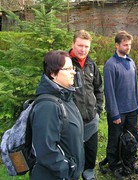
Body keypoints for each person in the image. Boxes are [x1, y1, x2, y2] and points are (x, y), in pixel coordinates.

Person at [30, 50, 84, 180]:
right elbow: (46, 150)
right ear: (53, 73)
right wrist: (67, 170)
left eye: (73, 67)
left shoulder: (66, 97)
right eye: (68, 69)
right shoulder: (47, 106)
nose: (74, 72)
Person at [103, 30, 138, 178]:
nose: (128, 47)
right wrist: (114, 113)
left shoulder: (131, 62)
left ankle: (130, 162)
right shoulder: (110, 65)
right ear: (117, 45)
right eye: (125, 45)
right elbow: (109, 91)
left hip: (132, 109)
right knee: (115, 139)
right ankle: (114, 165)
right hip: (118, 112)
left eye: (129, 45)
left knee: (132, 138)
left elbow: (135, 86)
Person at [69, 30, 103, 180]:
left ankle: (88, 173)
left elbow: (98, 89)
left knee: (91, 150)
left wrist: (98, 111)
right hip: (72, 122)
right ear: (73, 44)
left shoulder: (91, 65)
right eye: (80, 45)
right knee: (73, 152)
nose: (83, 50)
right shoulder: (65, 64)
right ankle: (72, 173)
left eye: (86, 46)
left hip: (91, 119)